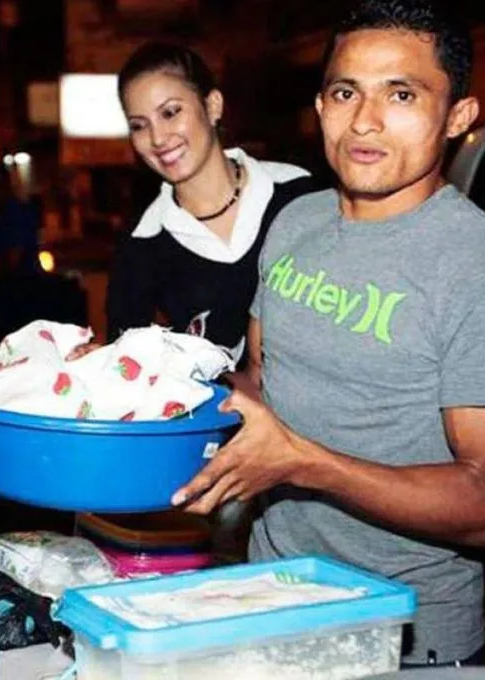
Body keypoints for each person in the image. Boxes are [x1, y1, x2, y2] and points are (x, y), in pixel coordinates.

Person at [174, 0, 485, 667]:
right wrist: (137, 373)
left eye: (401, 94)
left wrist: (306, 463)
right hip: (268, 602)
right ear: (319, 107)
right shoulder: (297, 223)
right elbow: (262, 385)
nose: (365, 120)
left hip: (404, 638)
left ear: (458, 117)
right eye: (346, 92)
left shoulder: (470, 262)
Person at [103, 42, 318, 365]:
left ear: (213, 106)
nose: (158, 138)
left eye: (170, 112)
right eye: (139, 125)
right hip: (215, 415)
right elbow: (130, 372)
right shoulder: (141, 246)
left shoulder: (299, 196)